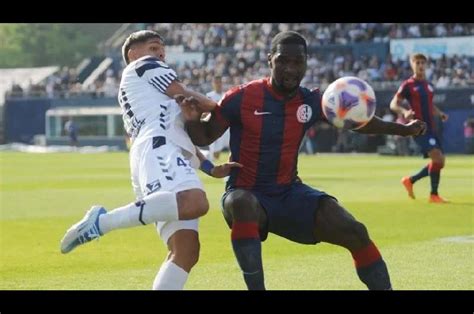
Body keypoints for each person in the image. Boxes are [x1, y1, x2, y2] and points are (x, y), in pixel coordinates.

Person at [180, 31, 426, 290]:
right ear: (269, 60)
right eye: (283, 61)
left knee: (355, 231)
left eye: (297, 62)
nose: (290, 68)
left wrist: (404, 129)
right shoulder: (240, 97)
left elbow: (357, 122)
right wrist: (192, 119)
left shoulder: (312, 100)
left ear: (306, 62)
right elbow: (206, 135)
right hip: (246, 192)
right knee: (241, 202)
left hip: (289, 193)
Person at [60, 30, 241, 290]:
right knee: (196, 202)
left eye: (162, 50)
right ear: (133, 53)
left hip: (159, 151)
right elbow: (187, 95)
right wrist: (226, 107)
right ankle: (101, 222)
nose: (160, 53)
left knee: (186, 250)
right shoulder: (143, 66)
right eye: (154, 47)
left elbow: (176, 129)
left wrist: (210, 168)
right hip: (159, 149)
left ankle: (101, 223)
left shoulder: (148, 92)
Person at [390, 53, 449, 203]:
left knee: (440, 162)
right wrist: (404, 112)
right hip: (419, 128)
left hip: (432, 128)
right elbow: (393, 104)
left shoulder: (428, 85)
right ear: (412, 64)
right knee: (437, 157)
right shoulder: (408, 85)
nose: (421, 65)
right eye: (418, 63)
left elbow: (430, 104)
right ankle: (433, 195)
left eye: (423, 63)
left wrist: (440, 113)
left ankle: (410, 180)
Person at [206, 76, 230, 161]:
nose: (218, 84)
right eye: (216, 82)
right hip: (214, 127)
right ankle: (203, 158)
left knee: (231, 149)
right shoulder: (209, 96)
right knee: (215, 155)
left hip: (226, 126)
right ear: (213, 84)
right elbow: (206, 112)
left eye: (219, 82)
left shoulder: (226, 95)